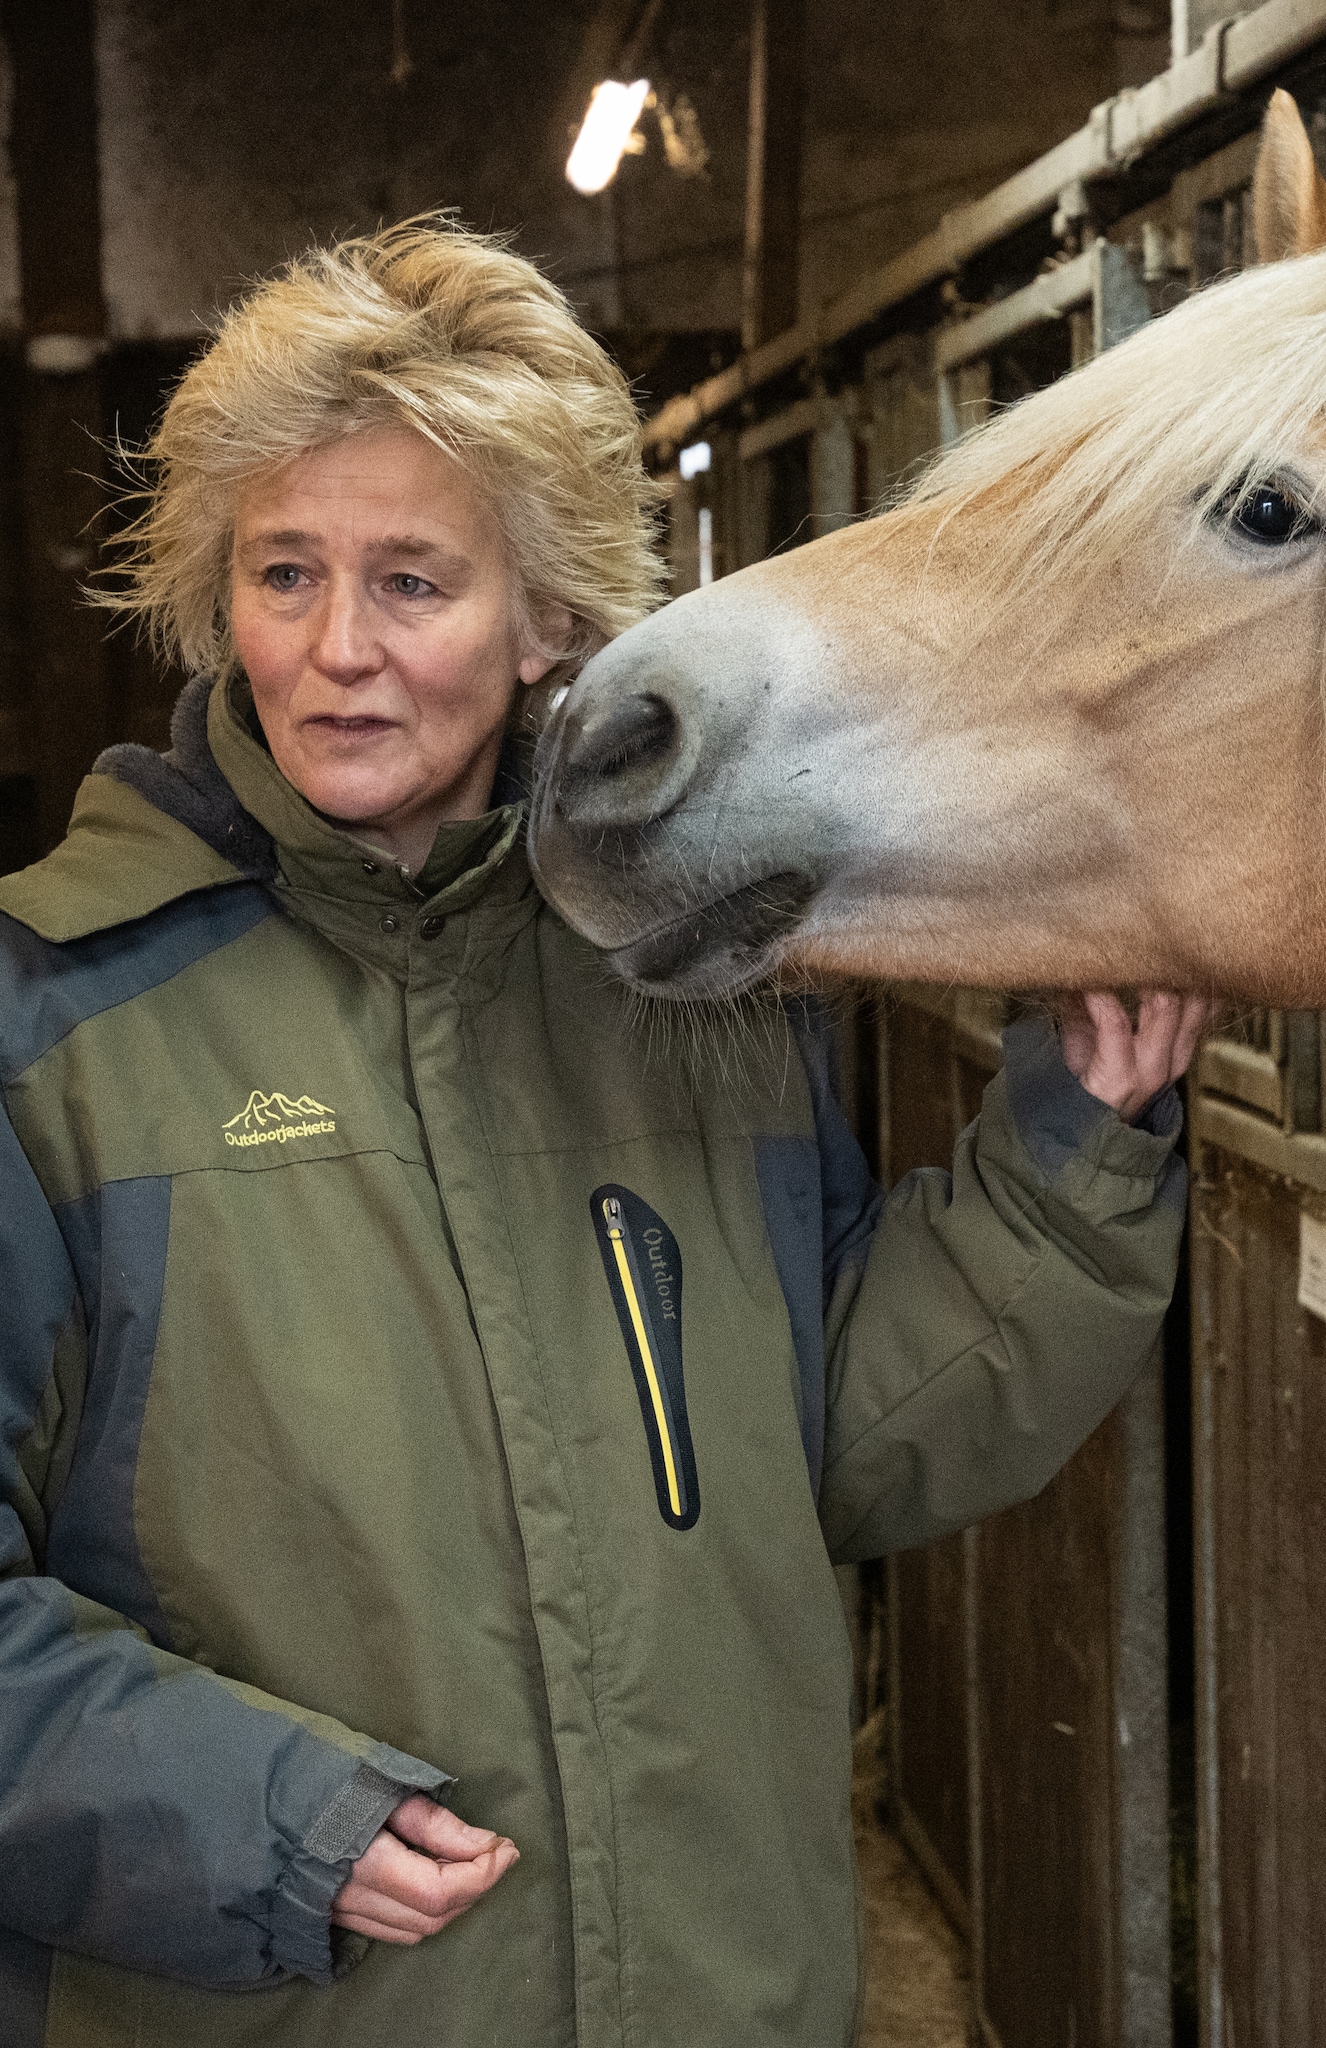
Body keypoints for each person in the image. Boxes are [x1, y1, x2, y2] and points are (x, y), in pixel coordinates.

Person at [0, 218, 1210, 2047]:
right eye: (283, 573)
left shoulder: (687, 994)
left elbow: (844, 1449)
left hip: (728, 1991)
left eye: (414, 582)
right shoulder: (56, 1026)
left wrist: (1071, 1156)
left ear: (550, 614)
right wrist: (254, 1820)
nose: (338, 651)